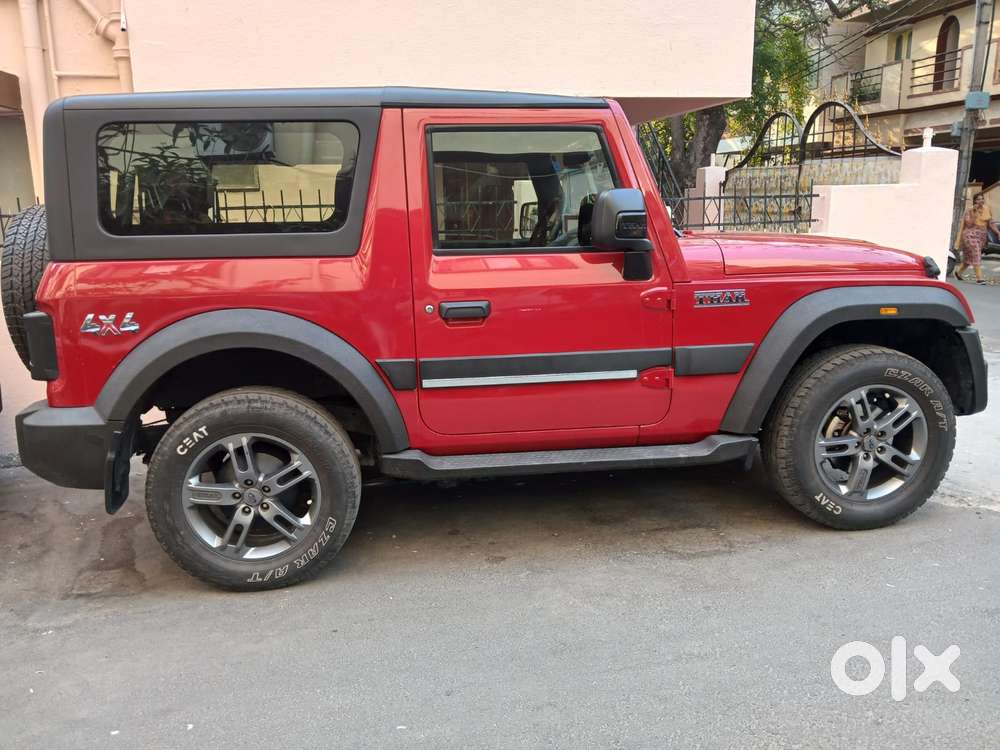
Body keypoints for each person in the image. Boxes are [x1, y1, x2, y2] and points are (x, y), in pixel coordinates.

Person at [954, 192, 996, 284]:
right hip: (970, 236)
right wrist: (974, 213)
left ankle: (958, 273)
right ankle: (979, 278)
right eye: (978, 199)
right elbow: (969, 224)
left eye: (982, 199)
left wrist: (998, 232)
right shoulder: (969, 210)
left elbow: (991, 223)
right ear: (975, 201)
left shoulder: (987, 209)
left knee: (968, 258)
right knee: (976, 254)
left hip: (981, 237)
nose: (981, 200)